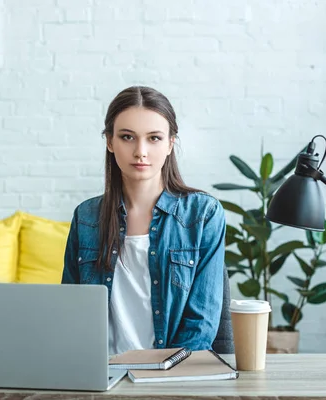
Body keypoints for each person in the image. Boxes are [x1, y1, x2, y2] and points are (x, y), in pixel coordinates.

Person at [62, 86, 226, 355]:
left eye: (154, 138)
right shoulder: (86, 217)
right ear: (110, 142)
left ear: (171, 143)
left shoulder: (203, 214)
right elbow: (69, 312)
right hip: (100, 373)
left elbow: (202, 321)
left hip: (170, 374)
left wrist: (162, 375)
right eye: (127, 137)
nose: (140, 151)